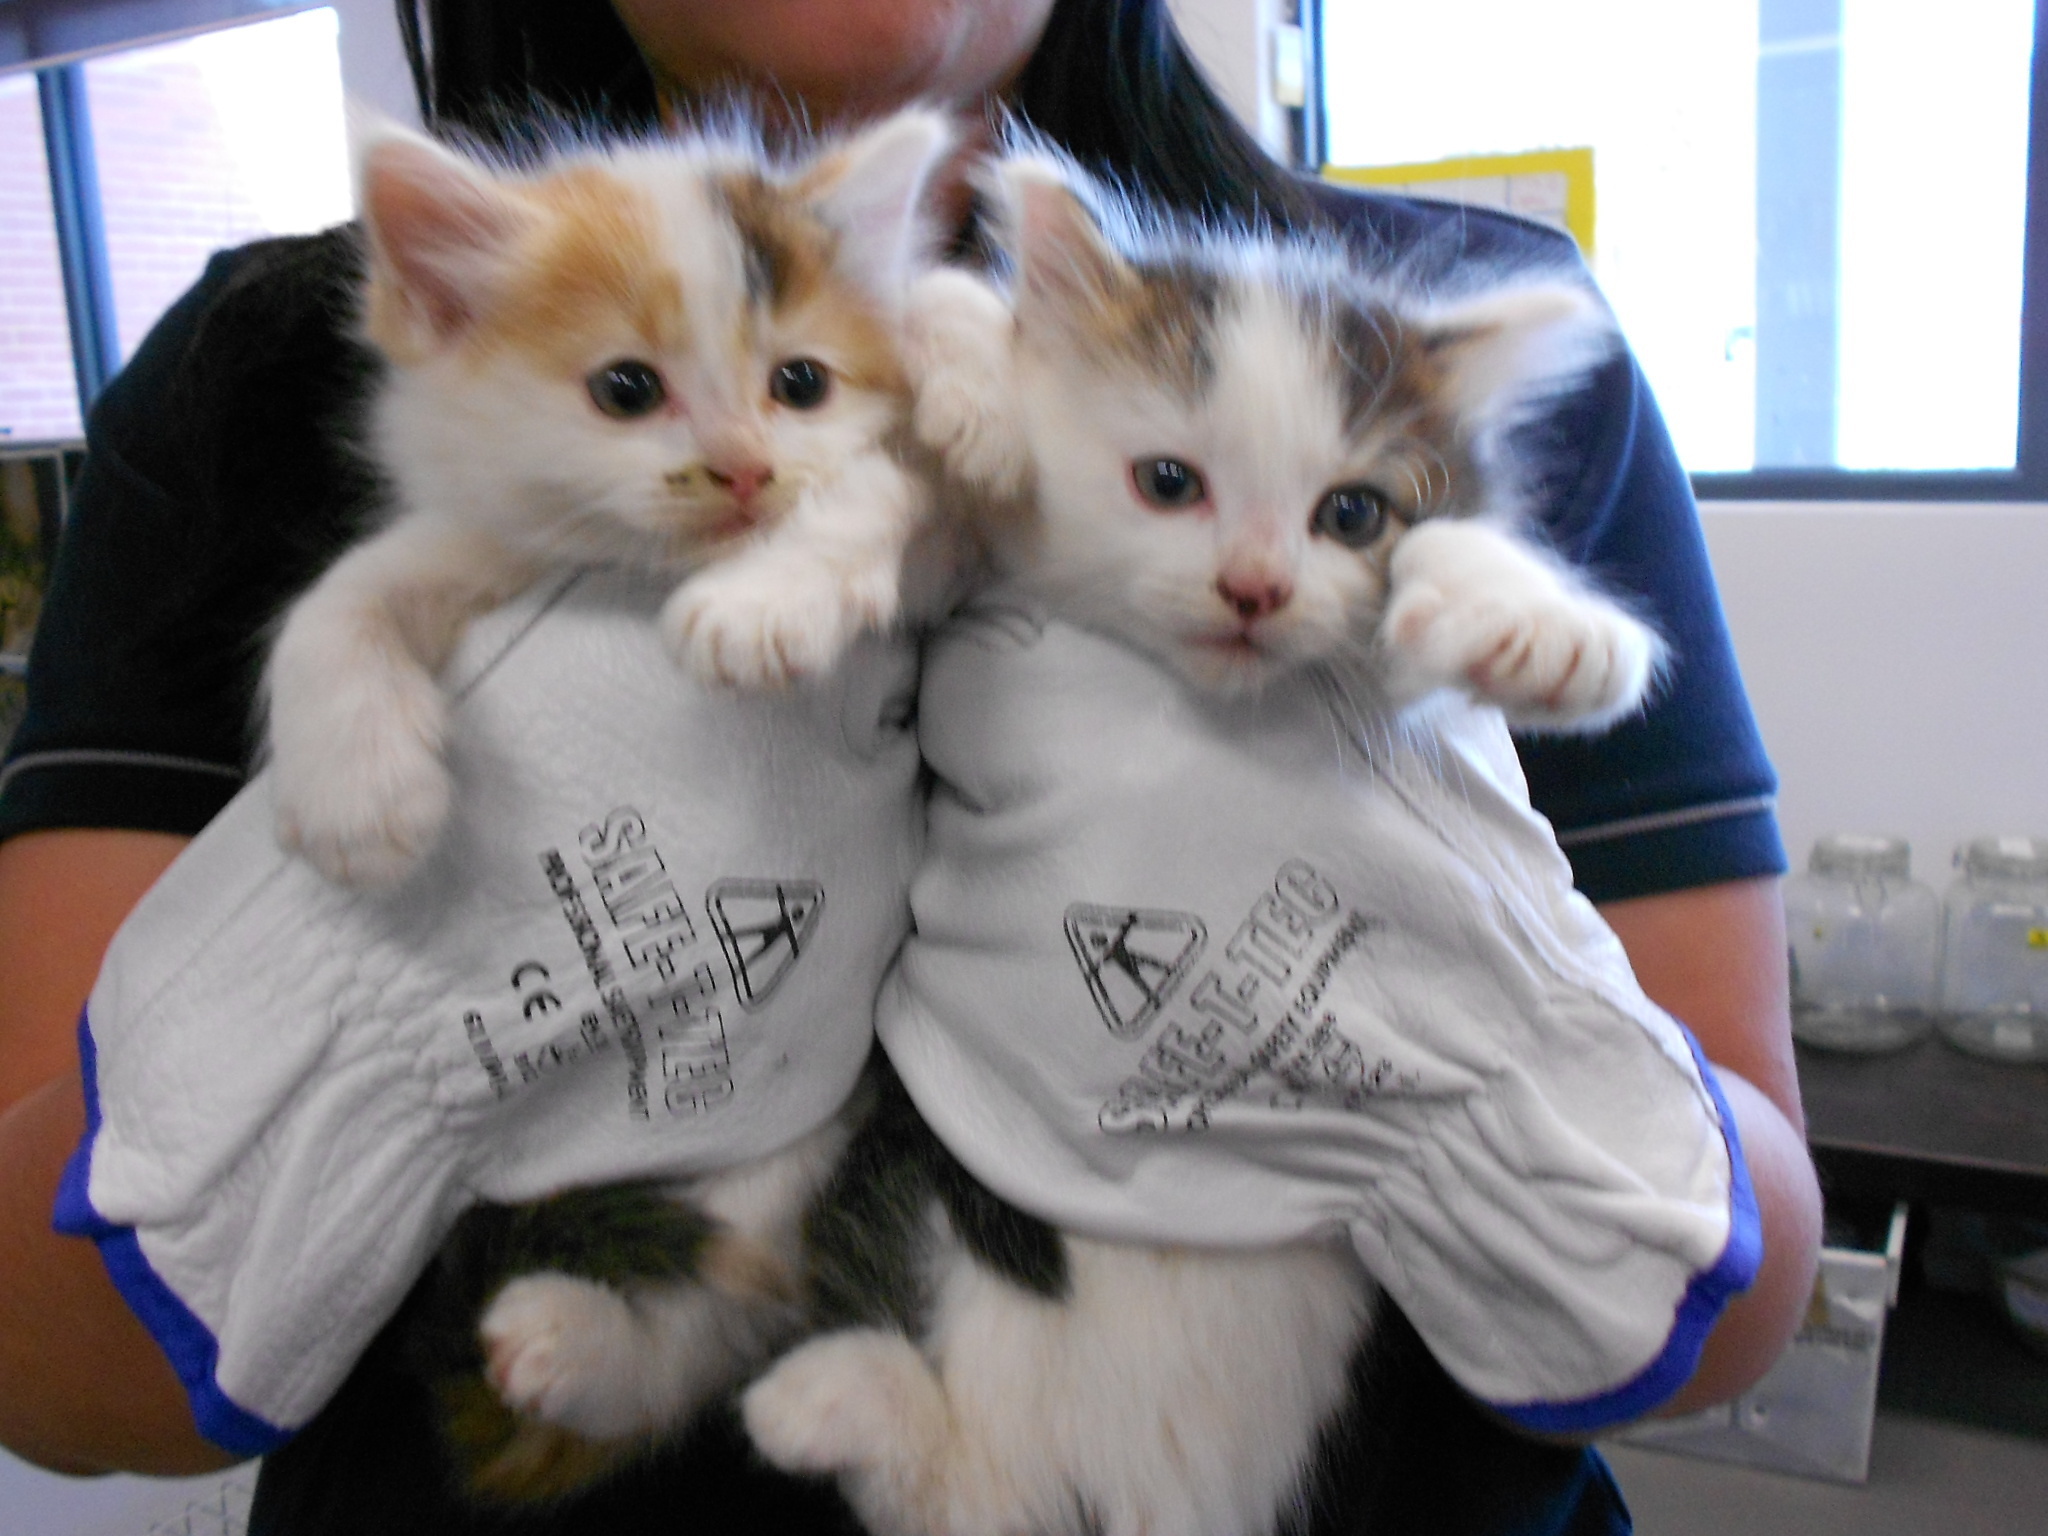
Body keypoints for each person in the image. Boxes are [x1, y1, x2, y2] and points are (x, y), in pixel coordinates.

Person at [0, 1, 1822, 1530]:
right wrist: (392, 978)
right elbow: (48, 1375)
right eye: (633, 389)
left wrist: (1458, 1031)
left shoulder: (1435, 352)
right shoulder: (263, 380)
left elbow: (1742, 1302)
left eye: (801, 382)